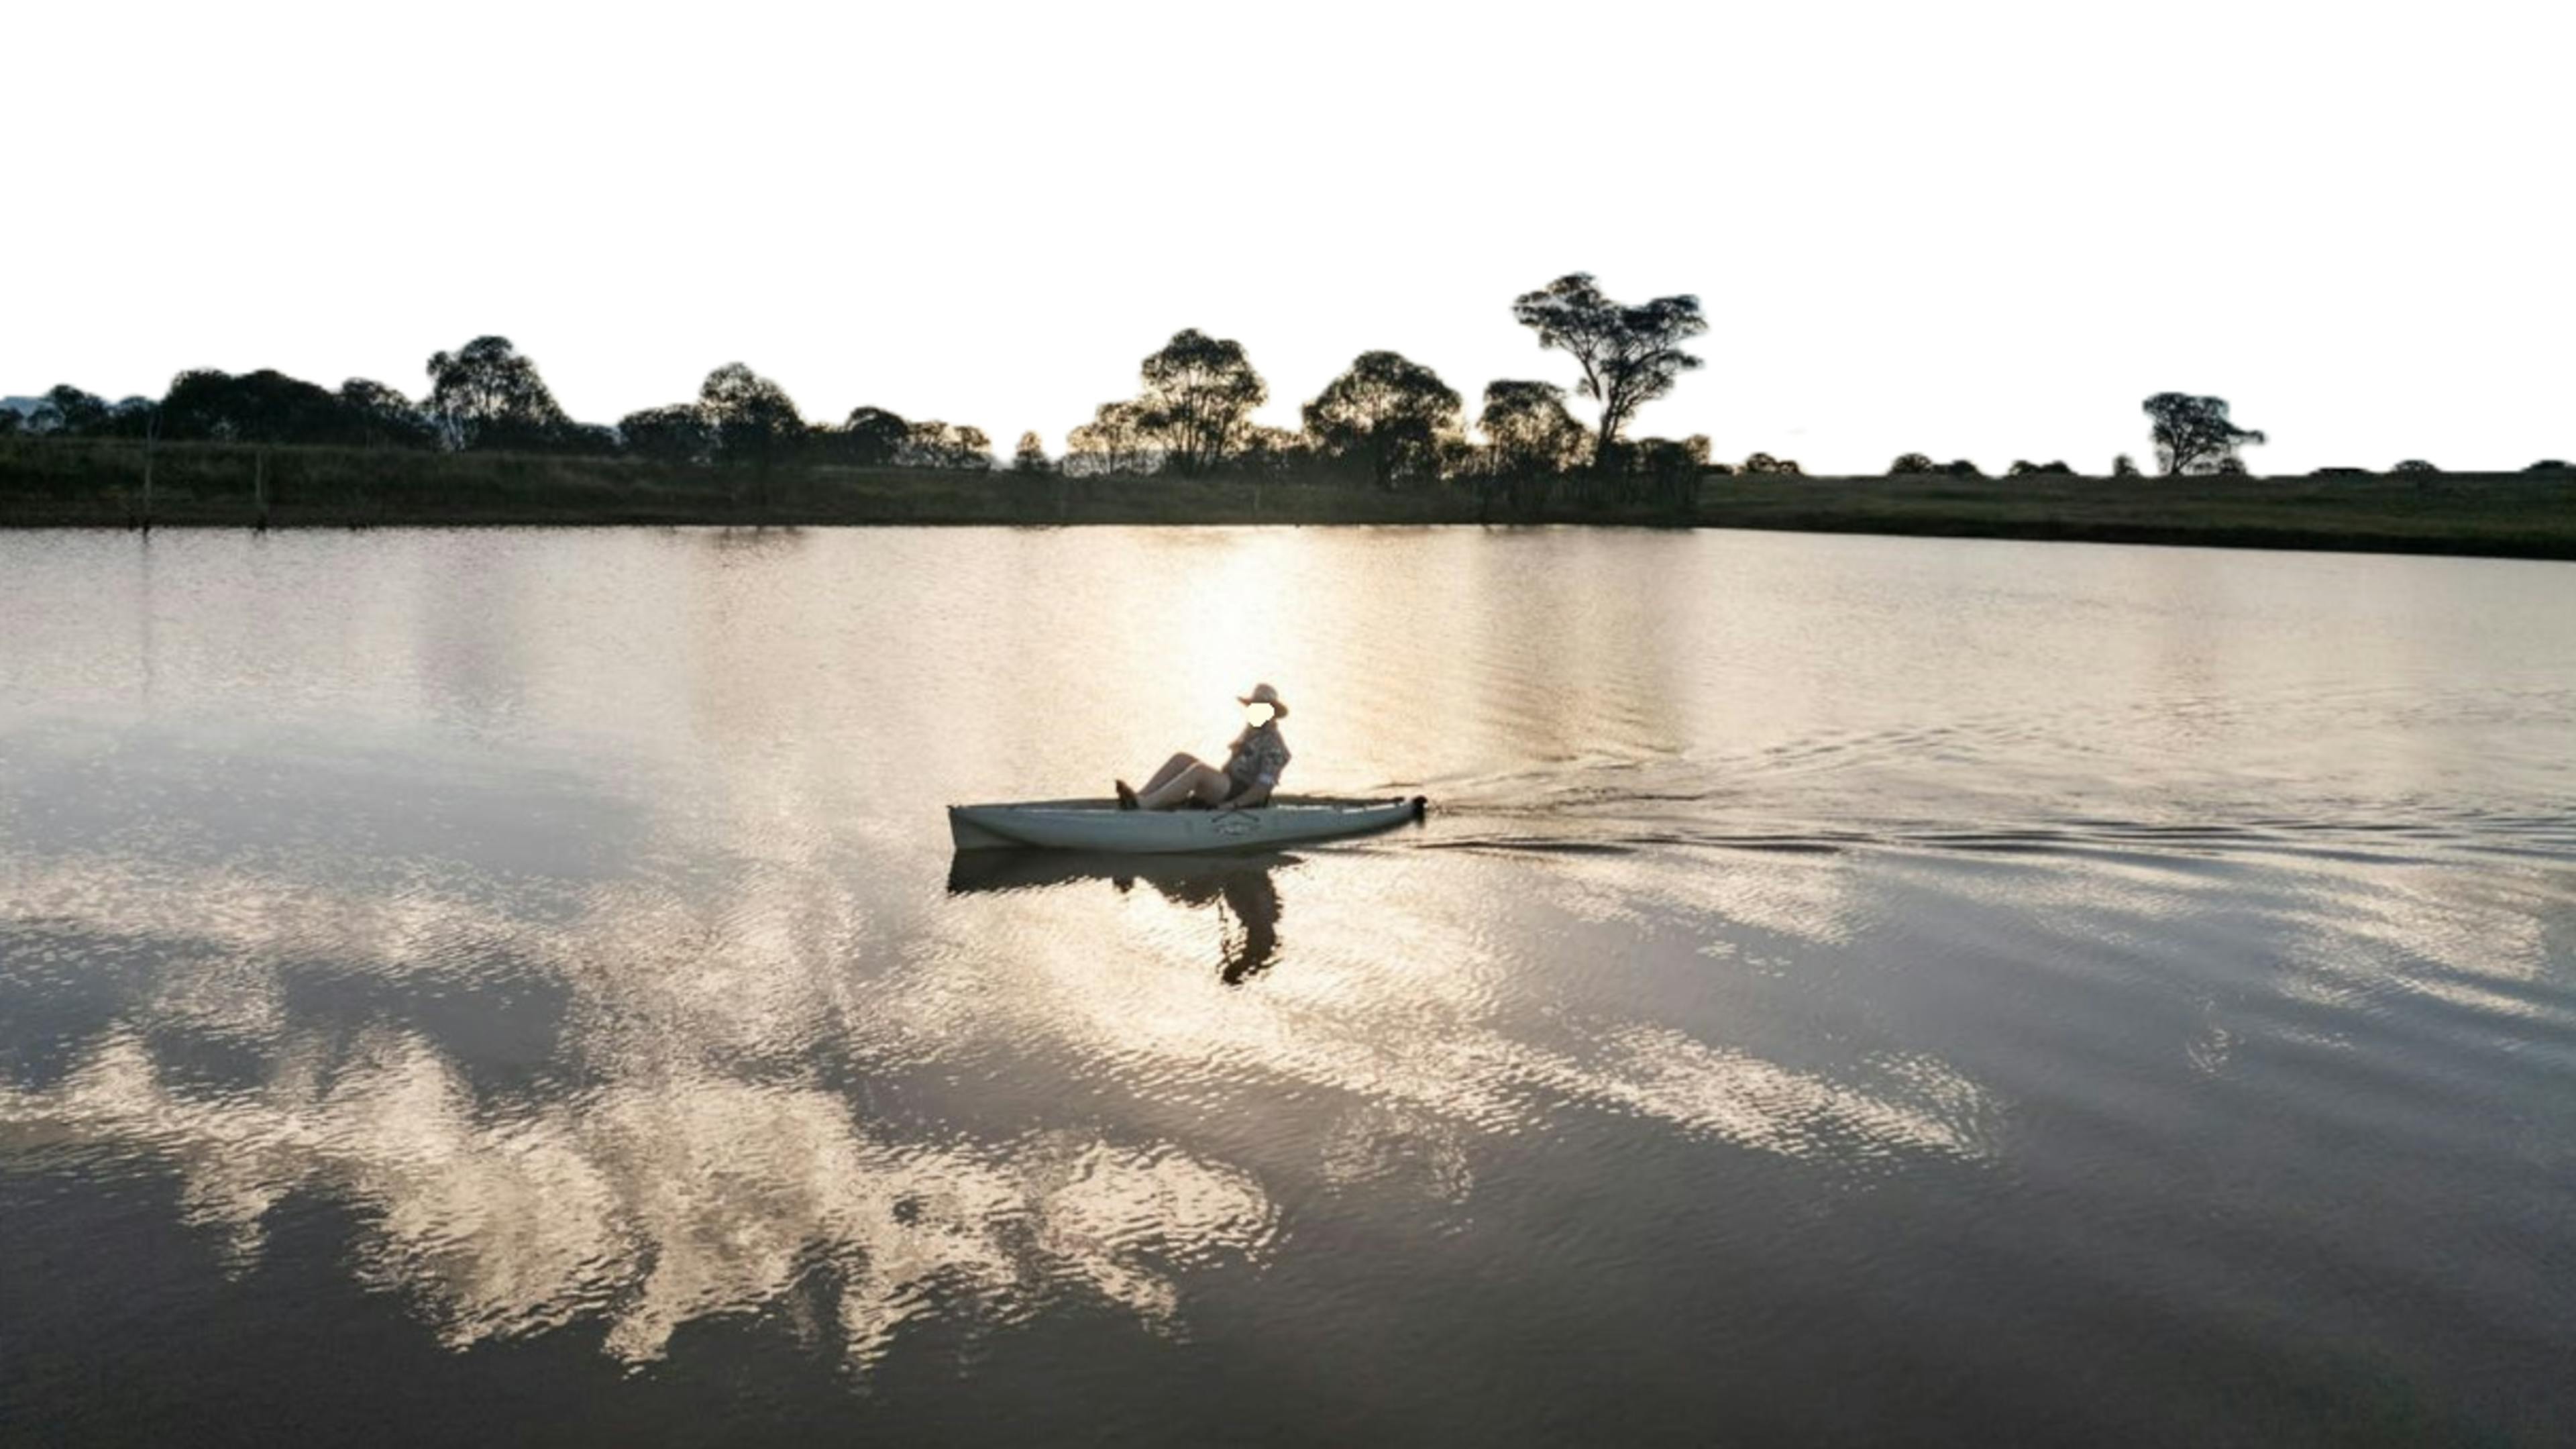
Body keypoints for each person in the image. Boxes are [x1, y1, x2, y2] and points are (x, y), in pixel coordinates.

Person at [1117, 684, 1293, 812]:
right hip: (1228, 784)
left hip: (1242, 796)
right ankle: (1141, 798)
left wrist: (1233, 805)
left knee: (1199, 771)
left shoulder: (1275, 746)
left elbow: (1262, 789)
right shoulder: (1250, 733)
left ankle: (1145, 806)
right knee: (1181, 759)